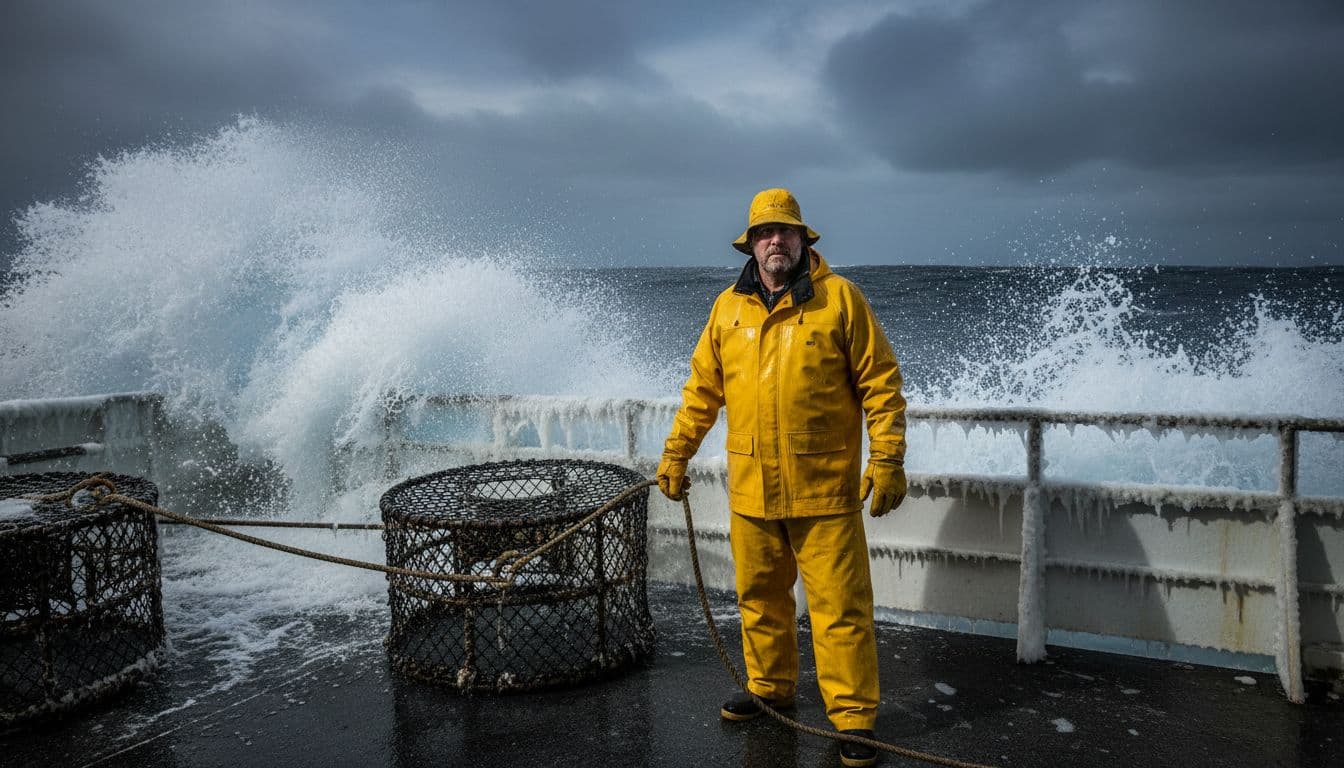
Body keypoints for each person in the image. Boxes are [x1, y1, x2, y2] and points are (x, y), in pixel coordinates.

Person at [656, 188, 907, 768]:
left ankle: (853, 721)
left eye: (786, 233)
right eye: (766, 233)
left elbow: (881, 385)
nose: (776, 242)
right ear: (751, 243)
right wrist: (675, 456)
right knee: (760, 600)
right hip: (751, 489)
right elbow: (701, 392)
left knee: (840, 607)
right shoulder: (727, 309)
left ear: (803, 241)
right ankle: (770, 691)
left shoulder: (840, 300)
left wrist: (887, 459)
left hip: (824, 490)